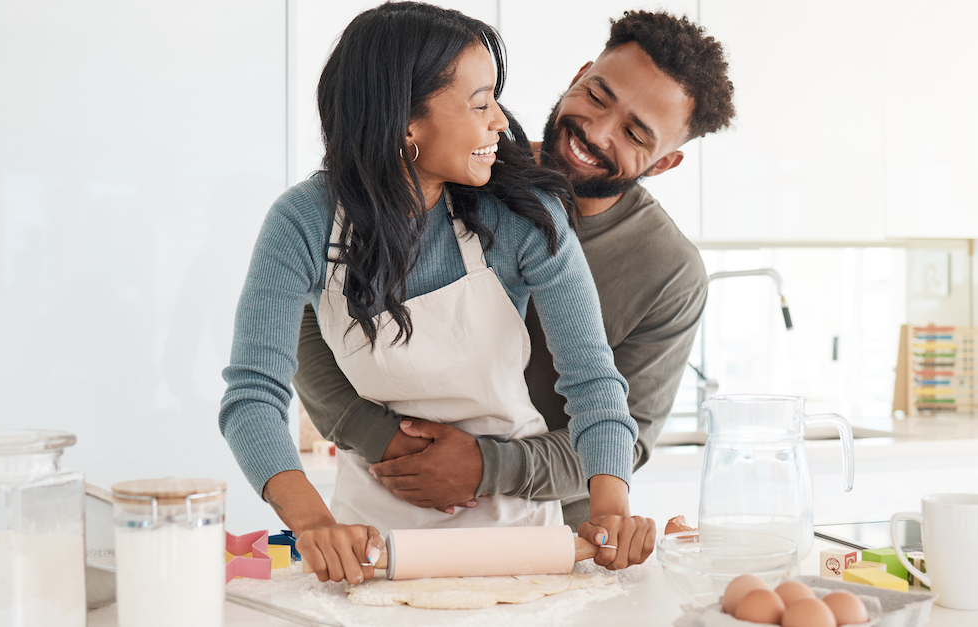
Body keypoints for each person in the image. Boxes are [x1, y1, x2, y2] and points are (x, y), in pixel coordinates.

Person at [220, 2, 654, 584]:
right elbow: (253, 394)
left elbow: (594, 382)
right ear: (406, 122)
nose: (501, 121)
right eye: (480, 103)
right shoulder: (303, 222)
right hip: (372, 544)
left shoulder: (524, 218)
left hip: (517, 541)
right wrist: (315, 527)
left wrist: (611, 515)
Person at [295, 10, 734, 529]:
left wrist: (487, 467)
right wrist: (380, 439)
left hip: (550, 535)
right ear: (579, 75)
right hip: (392, 496)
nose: (595, 132)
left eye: (635, 134)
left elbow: (624, 435)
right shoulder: (452, 164)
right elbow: (309, 317)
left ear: (663, 163)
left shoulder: (669, 273)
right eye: (597, 96)